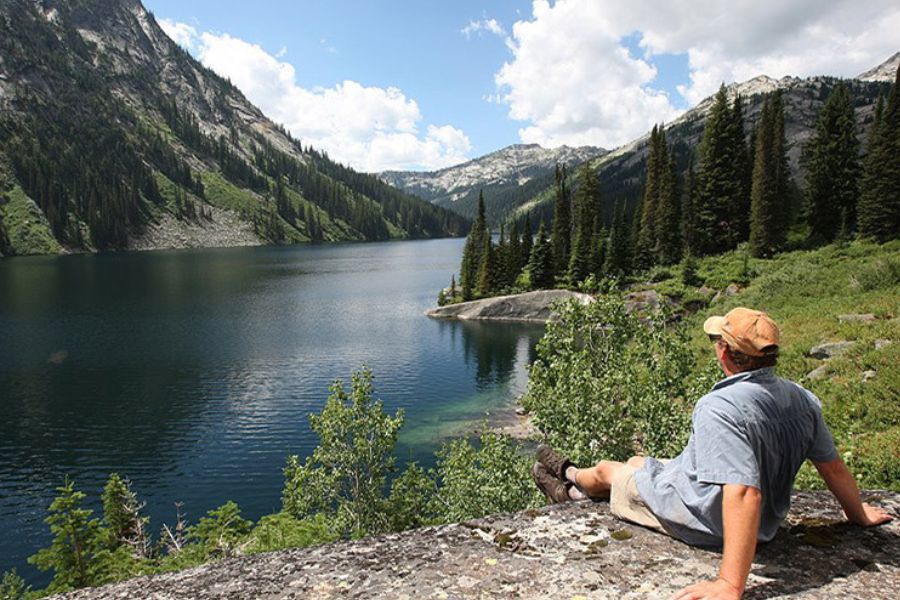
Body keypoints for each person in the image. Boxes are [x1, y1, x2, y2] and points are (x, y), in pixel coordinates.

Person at [531, 307, 893, 600]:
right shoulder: (801, 398)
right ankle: (576, 487)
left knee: (612, 470)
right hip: (760, 519)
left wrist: (729, 584)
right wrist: (856, 513)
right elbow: (833, 467)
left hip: (704, 519)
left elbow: (744, 492)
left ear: (723, 352)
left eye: (717, 340)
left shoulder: (719, 407)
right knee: (639, 462)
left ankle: (570, 479)